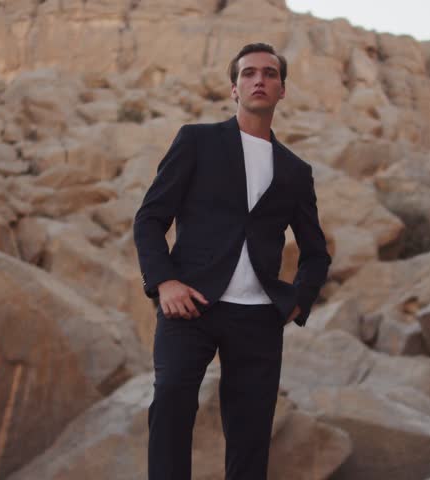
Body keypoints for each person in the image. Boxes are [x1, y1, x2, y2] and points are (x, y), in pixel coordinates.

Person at [133, 42, 331, 480]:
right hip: (190, 304)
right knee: (170, 404)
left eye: (270, 73)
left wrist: (298, 300)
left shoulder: (296, 170)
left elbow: (316, 253)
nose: (259, 79)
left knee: (251, 436)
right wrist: (165, 282)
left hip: (259, 318)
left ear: (282, 90)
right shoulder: (197, 141)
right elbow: (149, 219)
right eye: (248, 73)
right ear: (234, 89)